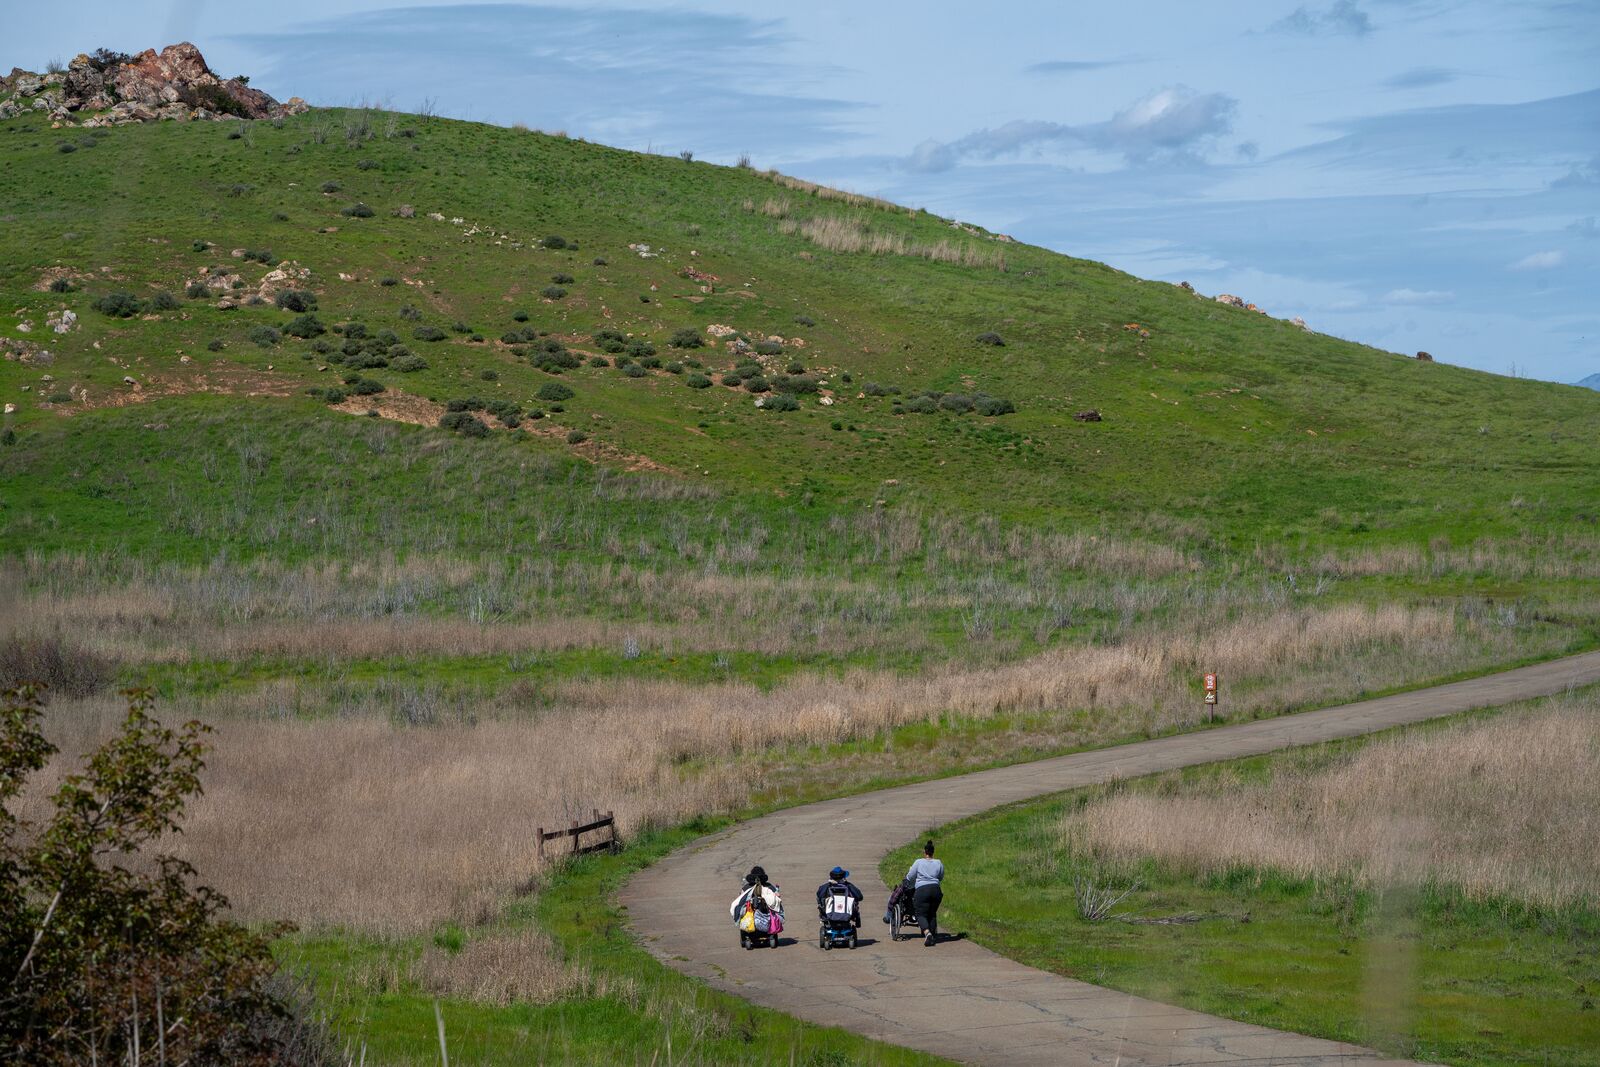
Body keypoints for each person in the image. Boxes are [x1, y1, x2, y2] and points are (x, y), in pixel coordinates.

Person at [903, 840, 945, 946]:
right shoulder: (939, 863)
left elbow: (910, 876)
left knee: (920, 913)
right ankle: (932, 935)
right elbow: (940, 877)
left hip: (922, 890)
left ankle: (927, 933)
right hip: (936, 890)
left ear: (924, 852)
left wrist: (906, 881)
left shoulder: (919, 862)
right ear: (933, 852)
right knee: (932, 913)